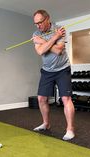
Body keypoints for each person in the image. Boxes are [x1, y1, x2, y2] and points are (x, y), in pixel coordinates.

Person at [32, 9, 75, 141]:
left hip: (62, 69)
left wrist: (54, 37)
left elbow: (57, 51)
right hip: (47, 70)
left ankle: (70, 129)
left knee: (65, 99)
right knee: (41, 99)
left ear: (47, 19)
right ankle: (46, 123)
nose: (38, 26)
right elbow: (40, 52)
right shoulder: (36, 34)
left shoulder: (59, 30)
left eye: (40, 22)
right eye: (36, 23)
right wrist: (53, 39)